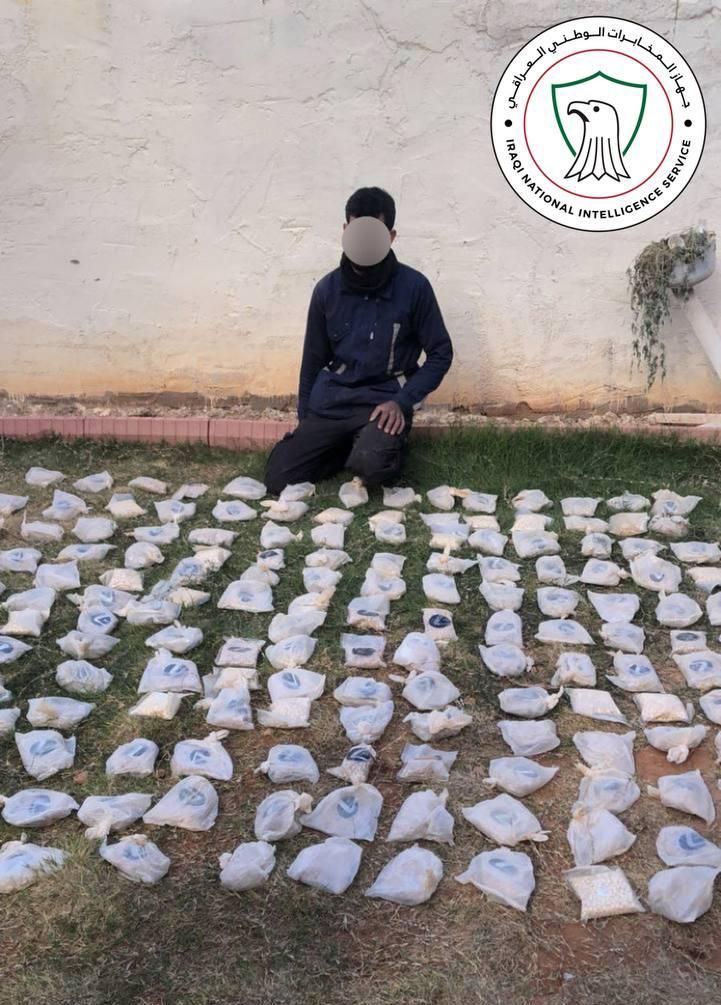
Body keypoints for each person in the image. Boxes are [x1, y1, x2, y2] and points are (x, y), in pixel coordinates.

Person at [264, 186, 453, 494]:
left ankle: (375, 446)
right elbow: (312, 360)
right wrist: (305, 420)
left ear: (391, 236)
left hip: (384, 403)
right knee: (278, 477)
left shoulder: (414, 287)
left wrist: (402, 402)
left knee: (372, 465)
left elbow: (440, 353)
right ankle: (348, 446)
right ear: (345, 231)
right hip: (334, 402)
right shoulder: (326, 290)